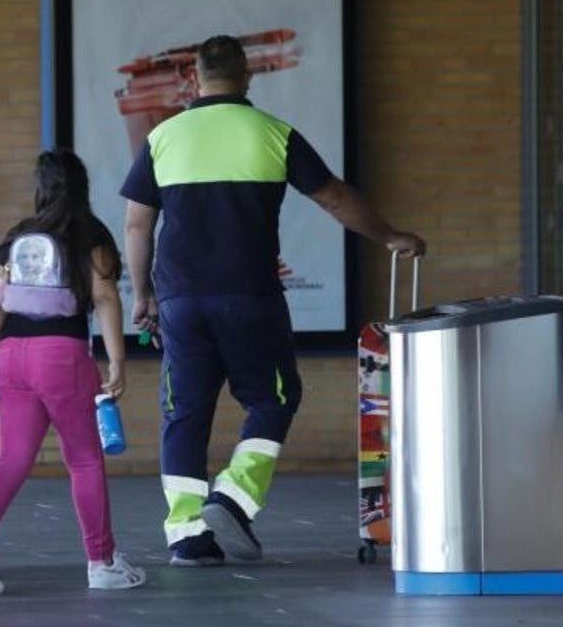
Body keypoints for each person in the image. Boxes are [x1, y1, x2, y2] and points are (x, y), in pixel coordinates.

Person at [120, 35, 426, 567]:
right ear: (247, 76)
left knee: (184, 413)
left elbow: (137, 222)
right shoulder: (272, 133)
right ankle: (234, 498)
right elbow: (333, 197)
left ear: (195, 78)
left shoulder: (164, 137)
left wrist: (142, 293)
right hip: (249, 298)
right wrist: (390, 235)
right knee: (273, 399)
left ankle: (187, 535)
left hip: (181, 302)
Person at [0, 149, 147, 594]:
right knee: (83, 459)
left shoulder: (17, 238)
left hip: (12, 359)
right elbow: (105, 298)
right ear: (82, 186)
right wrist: (117, 360)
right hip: (62, 355)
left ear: (40, 189)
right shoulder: (89, 233)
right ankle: (101, 562)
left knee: (12, 459)